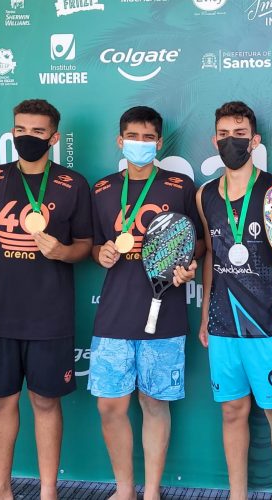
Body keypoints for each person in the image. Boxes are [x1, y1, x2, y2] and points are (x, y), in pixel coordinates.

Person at [0, 99, 93, 500]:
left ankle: (47, 491)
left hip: (49, 316)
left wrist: (63, 251)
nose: (27, 137)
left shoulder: (72, 183)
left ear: (54, 137)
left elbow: (85, 246)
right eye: (21, 129)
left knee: (45, 403)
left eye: (38, 131)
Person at [196, 101, 272, 500]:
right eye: (224, 135)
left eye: (240, 134)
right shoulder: (204, 195)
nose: (231, 141)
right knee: (232, 411)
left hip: (270, 323)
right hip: (222, 325)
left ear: (255, 140)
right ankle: (237, 494)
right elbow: (211, 256)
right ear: (214, 140)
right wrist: (204, 315)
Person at [89, 106, 204, 500]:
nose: (140, 144)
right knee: (110, 407)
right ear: (120, 141)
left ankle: (151, 491)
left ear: (159, 142)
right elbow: (92, 244)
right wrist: (101, 253)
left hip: (164, 313)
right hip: (114, 314)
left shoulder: (179, 186)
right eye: (133, 137)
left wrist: (188, 265)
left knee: (155, 404)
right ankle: (124, 491)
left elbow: (197, 242)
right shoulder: (102, 189)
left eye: (148, 138)